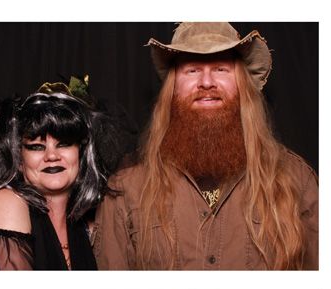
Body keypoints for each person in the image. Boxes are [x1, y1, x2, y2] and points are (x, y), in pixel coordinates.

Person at [93, 22, 318, 271]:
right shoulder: (126, 188)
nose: (207, 82)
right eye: (192, 70)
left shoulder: (296, 179)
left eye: (221, 69)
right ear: (172, 88)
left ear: (243, 84)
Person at [0, 82, 116, 270]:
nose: (52, 156)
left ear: (81, 153)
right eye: (36, 147)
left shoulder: (90, 225)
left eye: (64, 144)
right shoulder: (6, 205)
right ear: (19, 160)